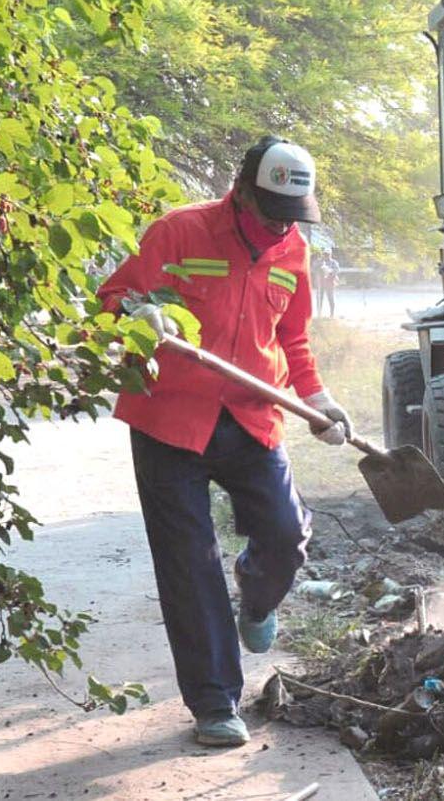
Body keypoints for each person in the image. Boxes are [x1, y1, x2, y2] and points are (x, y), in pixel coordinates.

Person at [97, 136, 354, 746]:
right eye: (269, 214)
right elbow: (114, 297)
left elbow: (292, 341)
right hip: (169, 421)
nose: (278, 229)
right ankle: (215, 703)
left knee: (287, 535)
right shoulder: (179, 233)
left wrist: (317, 401)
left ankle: (258, 596)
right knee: (189, 564)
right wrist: (136, 315)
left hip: (252, 416)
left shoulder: (292, 251)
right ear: (240, 192)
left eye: (291, 217)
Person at [314, 250, 340, 318]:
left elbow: (337, 270)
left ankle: (332, 314)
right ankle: (319, 314)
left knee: (330, 298)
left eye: (328, 254)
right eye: (325, 254)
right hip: (321, 282)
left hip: (329, 282)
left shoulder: (333, 262)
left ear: (330, 254)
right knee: (319, 298)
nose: (326, 256)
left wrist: (330, 272)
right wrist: (320, 266)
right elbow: (314, 268)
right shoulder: (319, 261)